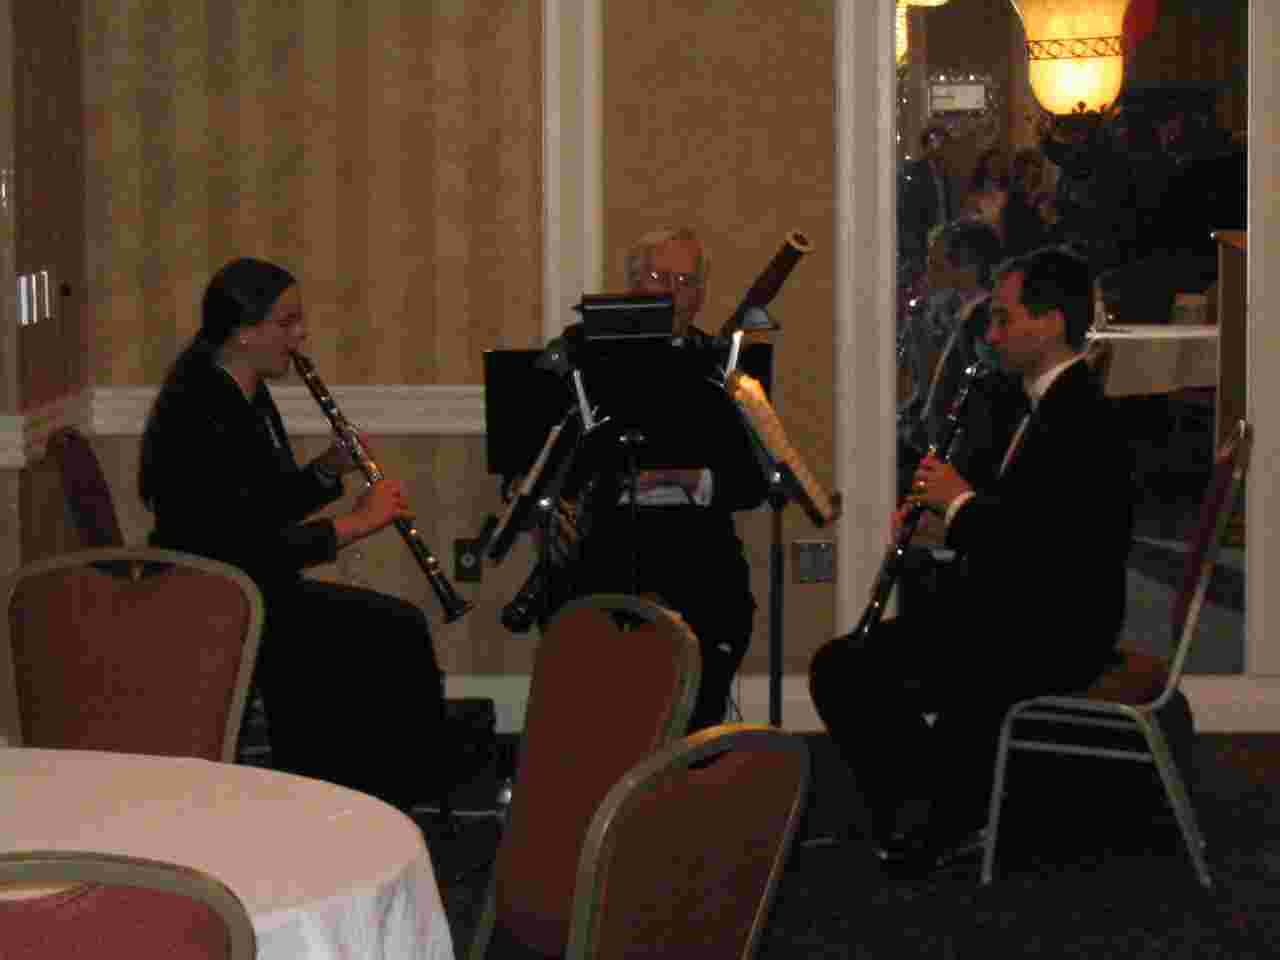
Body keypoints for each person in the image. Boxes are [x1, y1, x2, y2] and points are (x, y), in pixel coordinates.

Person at [811, 246, 1135, 873]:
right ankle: (937, 802)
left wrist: (957, 502)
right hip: (1019, 611)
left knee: (849, 670)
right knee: (849, 663)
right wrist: (941, 524)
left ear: (1051, 324)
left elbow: (1044, 550)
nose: (992, 334)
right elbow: (1020, 525)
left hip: (1057, 630)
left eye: (1005, 319)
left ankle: (938, 811)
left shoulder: (1082, 420)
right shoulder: (1036, 404)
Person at [138, 257, 446, 812]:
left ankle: (388, 796)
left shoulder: (246, 392)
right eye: (287, 322)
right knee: (385, 635)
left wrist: (327, 471)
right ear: (243, 331)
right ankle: (344, 799)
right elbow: (240, 544)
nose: (301, 334)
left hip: (250, 585)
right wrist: (354, 524)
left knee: (393, 629)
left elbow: (264, 506)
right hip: (215, 595)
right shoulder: (202, 408)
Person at [556, 227, 769, 733]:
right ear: (633, 286)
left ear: (700, 297)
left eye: (686, 282)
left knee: (713, 631)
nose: (672, 292)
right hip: (611, 538)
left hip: (698, 545)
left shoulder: (720, 366)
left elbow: (752, 484)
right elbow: (562, 465)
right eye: (659, 277)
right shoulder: (587, 356)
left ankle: (690, 758)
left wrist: (693, 479)